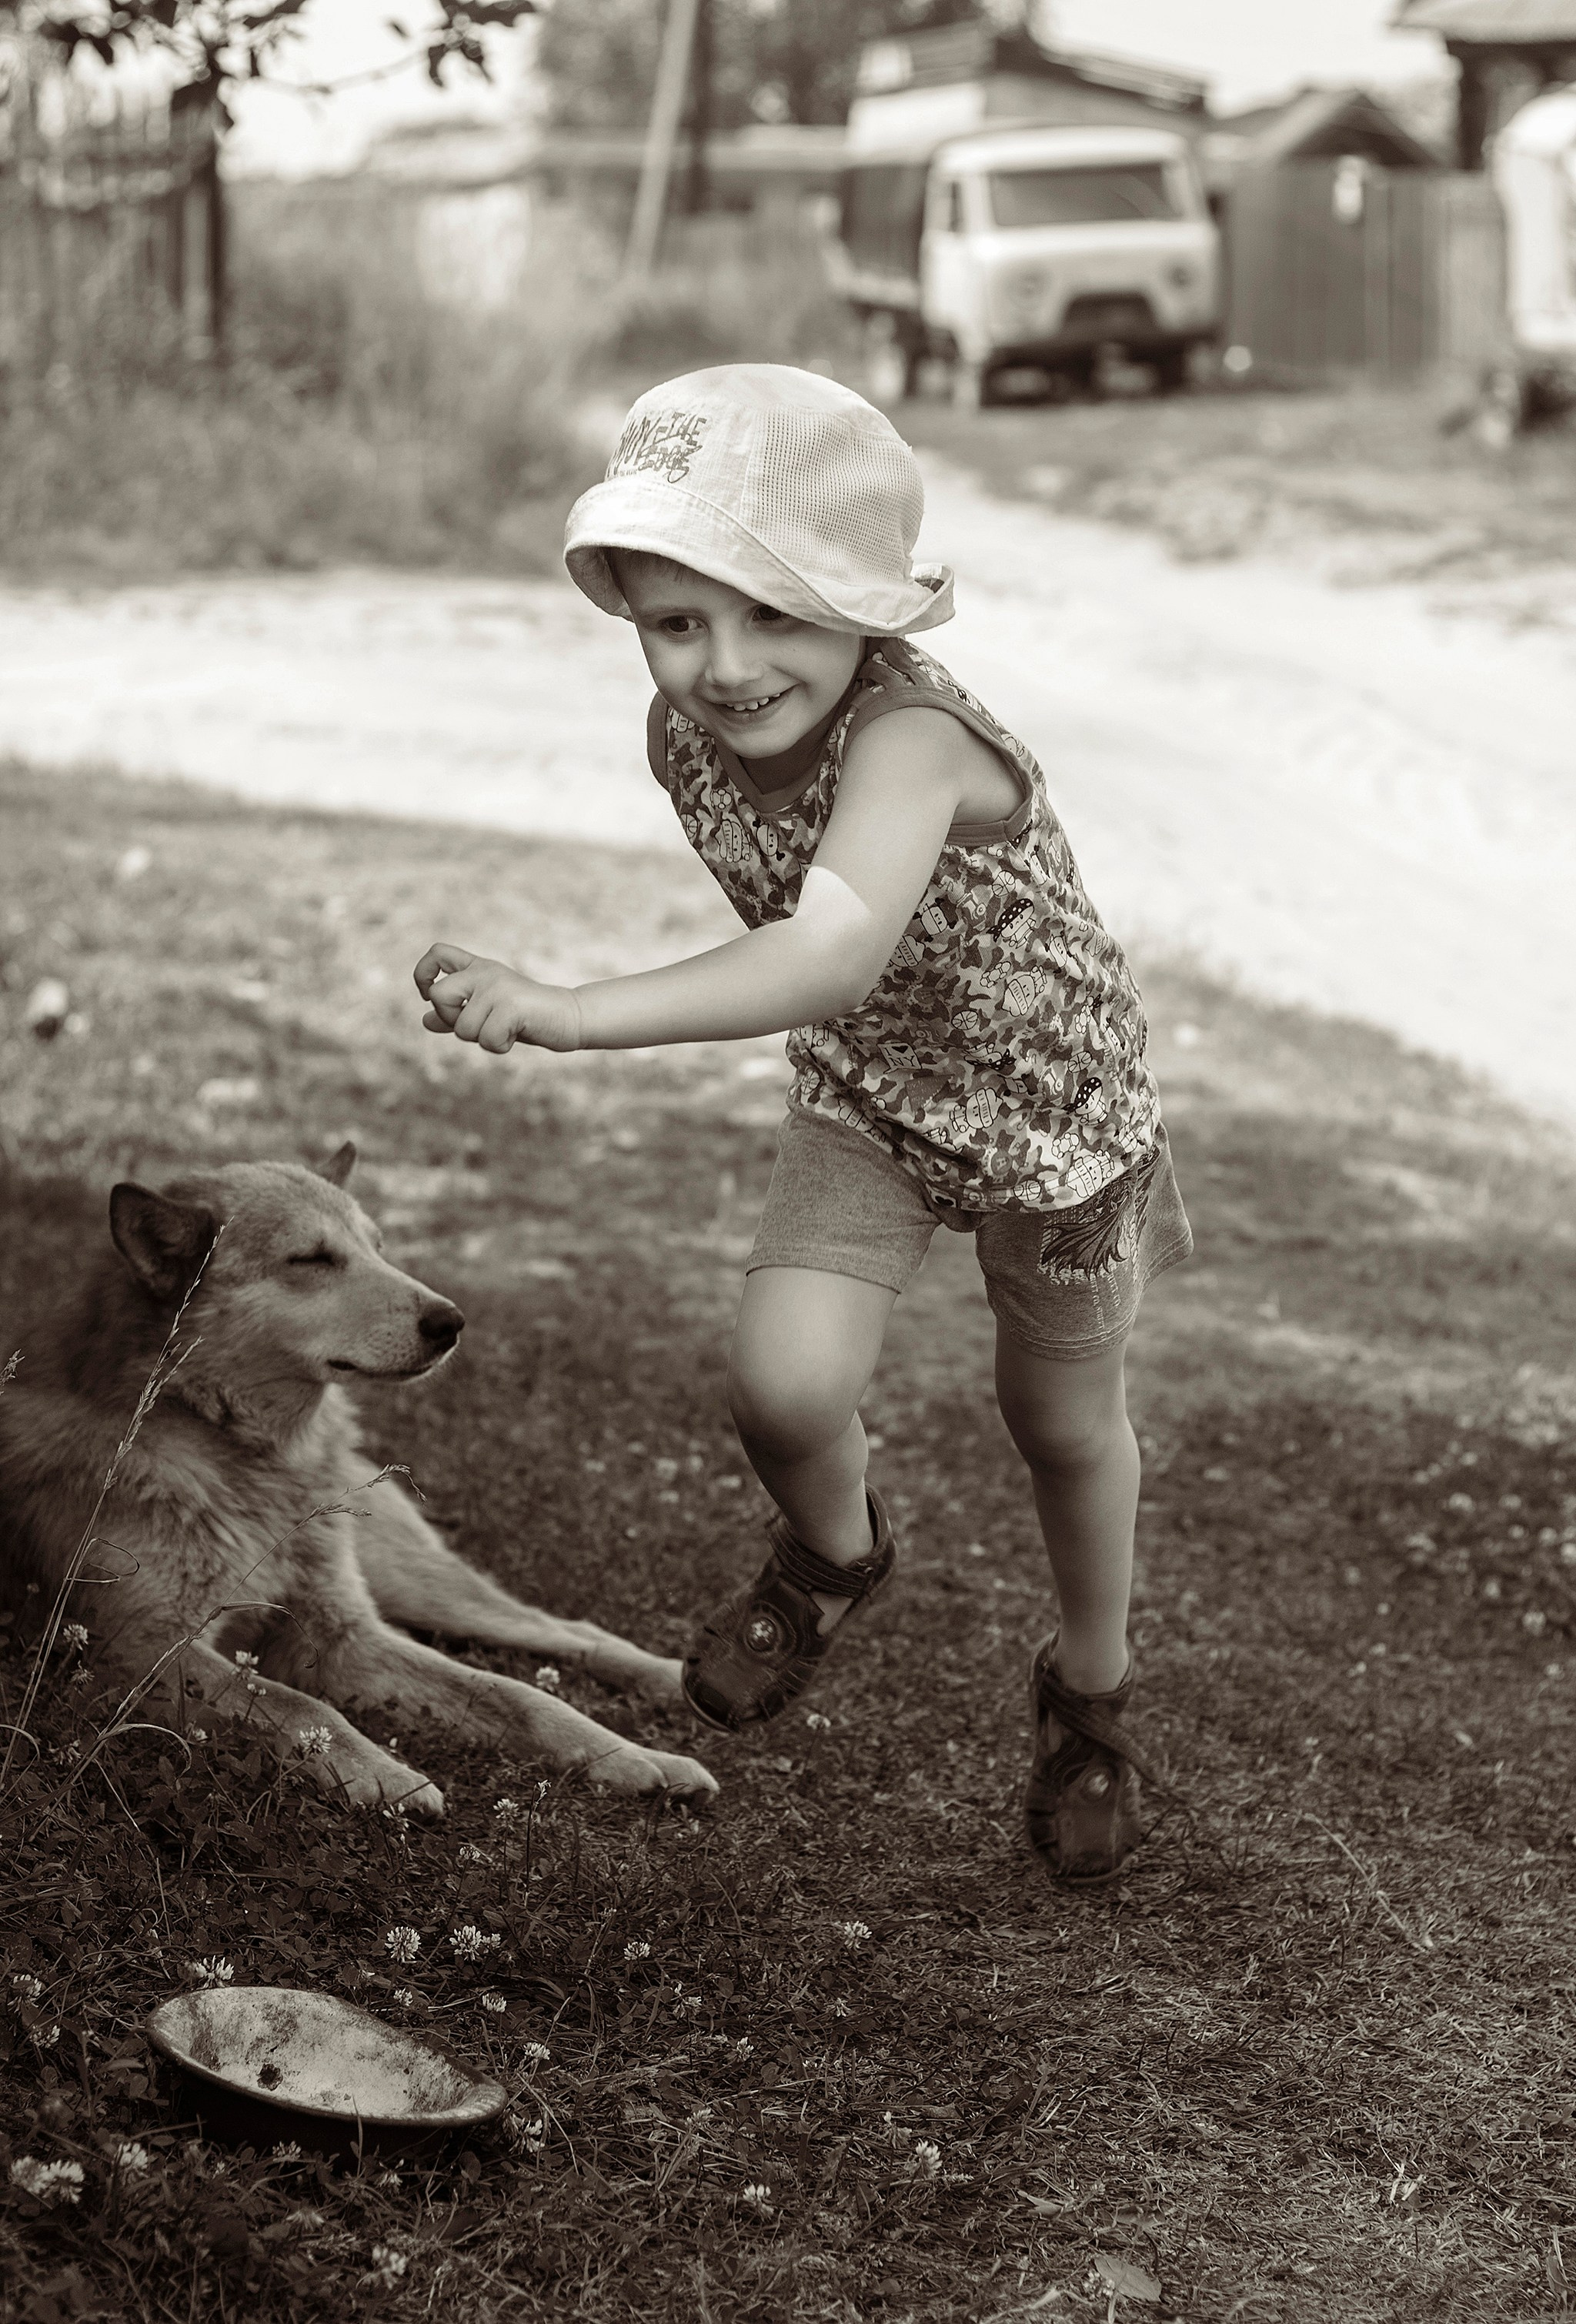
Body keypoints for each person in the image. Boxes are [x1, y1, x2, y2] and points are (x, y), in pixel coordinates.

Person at [412, 365, 1191, 1882]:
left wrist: (571, 1007)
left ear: (870, 609)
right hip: (873, 1091)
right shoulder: (682, 730)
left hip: (1056, 1120)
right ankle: (837, 1549)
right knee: (780, 1387)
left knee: (1060, 1425)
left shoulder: (913, 740)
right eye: (677, 618)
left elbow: (825, 944)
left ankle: (1089, 1689)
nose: (723, 665)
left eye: (777, 614)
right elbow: (843, 986)